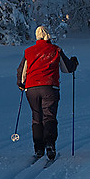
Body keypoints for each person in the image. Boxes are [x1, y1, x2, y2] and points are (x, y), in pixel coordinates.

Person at [17, 26, 78, 160]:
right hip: (50, 87)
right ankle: (50, 145)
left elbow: (22, 72)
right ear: (48, 36)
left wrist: (21, 84)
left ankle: (39, 149)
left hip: (31, 89)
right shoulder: (55, 50)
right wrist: (74, 63)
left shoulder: (28, 51)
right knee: (49, 116)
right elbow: (67, 69)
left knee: (36, 117)